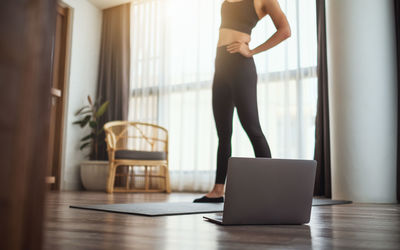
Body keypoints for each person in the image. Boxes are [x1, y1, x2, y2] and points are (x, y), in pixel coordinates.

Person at [194, 0, 291, 203]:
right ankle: (218, 189)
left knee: (253, 129)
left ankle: (271, 189)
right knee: (223, 134)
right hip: (220, 67)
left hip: (241, 67)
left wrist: (251, 51)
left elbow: (285, 30)